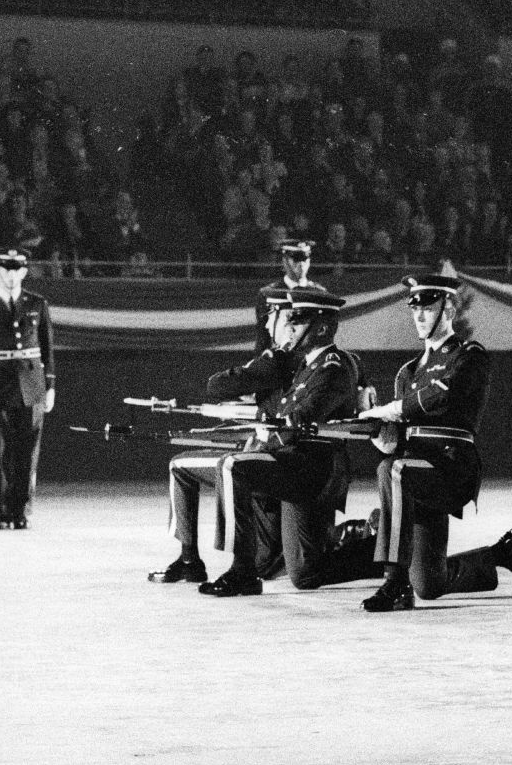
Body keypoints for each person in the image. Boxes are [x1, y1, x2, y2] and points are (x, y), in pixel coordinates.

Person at [356, 274, 512, 612]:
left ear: (449, 308)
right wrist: (374, 427)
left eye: (428, 308)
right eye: (415, 309)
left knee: (392, 471)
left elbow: (441, 396)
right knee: (428, 584)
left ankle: (393, 583)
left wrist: (390, 409)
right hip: (416, 473)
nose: (419, 316)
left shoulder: (469, 355)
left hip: (451, 469)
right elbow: (396, 441)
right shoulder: (407, 372)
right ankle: (502, 553)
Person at [195, 288, 381, 596]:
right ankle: (379, 544)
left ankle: (241, 571)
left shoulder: (334, 366)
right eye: (290, 320)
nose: (289, 327)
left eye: (297, 321)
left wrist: (270, 425)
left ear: (320, 328)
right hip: (291, 466)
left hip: (310, 473)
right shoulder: (306, 365)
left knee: (233, 466)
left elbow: (300, 416)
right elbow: (285, 412)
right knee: (305, 573)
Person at [149, 286, 297, 586]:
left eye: (271, 317)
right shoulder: (302, 361)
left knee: (180, 466)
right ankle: (193, 560)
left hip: (270, 458)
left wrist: (249, 375)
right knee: (186, 463)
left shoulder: (279, 359)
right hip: (273, 453)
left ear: (288, 321)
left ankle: (195, 560)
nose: (266, 324)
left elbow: (219, 385)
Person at [0, 247, 55, 530]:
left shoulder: (37, 304)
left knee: (26, 450)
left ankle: (20, 510)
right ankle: (0, 511)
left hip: (31, 383)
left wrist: (51, 385)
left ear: (24, 271)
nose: (11, 274)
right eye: (5, 268)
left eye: (16, 268)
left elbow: (46, 347)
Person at [254, 237, 322, 352]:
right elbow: (263, 337)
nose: (301, 264)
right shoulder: (269, 294)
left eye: (305, 258)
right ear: (285, 261)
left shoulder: (319, 293)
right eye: (296, 258)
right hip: (278, 358)